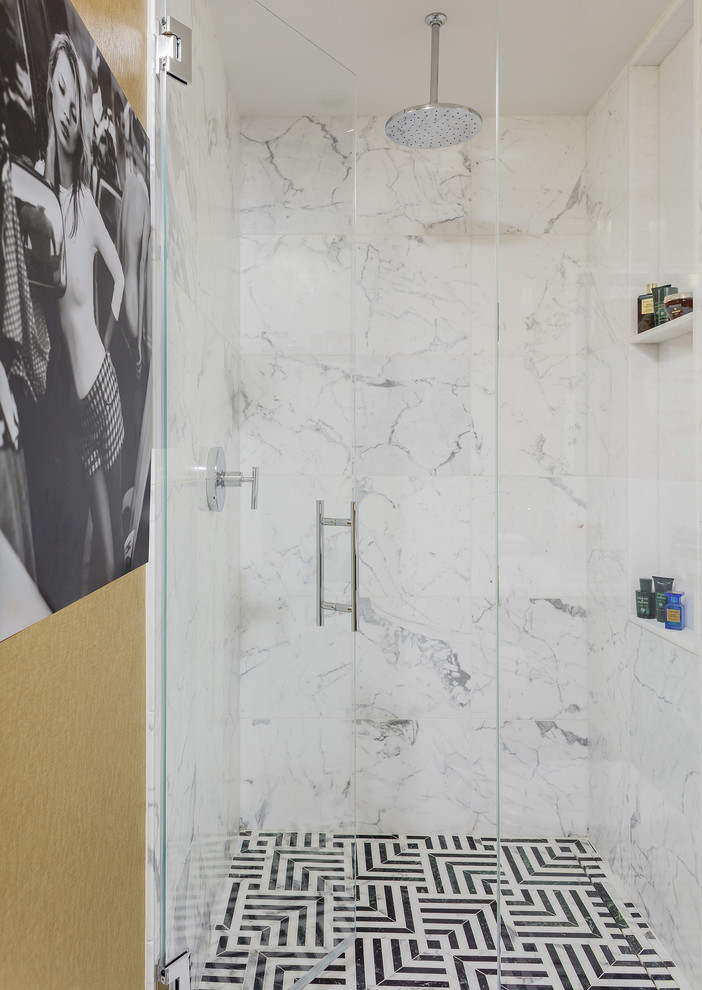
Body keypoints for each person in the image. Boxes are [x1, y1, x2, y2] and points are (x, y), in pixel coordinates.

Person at [45, 34, 125, 587]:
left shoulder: (88, 207)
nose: (70, 107)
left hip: (99, 388)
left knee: (113, 554)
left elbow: (119, 278)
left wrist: (108, 332)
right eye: (60, 93)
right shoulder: (44, 200)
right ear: (50, 102)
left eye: (76, 95)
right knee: (98, 551)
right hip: (72, 408)